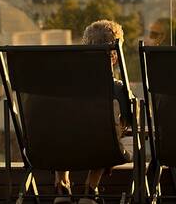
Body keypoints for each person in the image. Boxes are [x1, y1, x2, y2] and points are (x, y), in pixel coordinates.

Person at [54, 20, 134, 204]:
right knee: (108, 132)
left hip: (61, 149)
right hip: (101, 149)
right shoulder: (117, 90)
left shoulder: (62, 87)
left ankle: (62, 183)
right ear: (115, 56)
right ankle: (90, 188)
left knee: (62, 124)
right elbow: (131, 120)